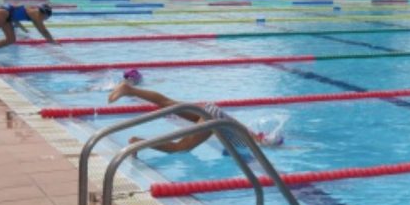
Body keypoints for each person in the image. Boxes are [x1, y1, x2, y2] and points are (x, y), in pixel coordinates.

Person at [107, 81, 284, 153]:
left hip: (212, 110)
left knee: (167, 102)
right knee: (180, 148)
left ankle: (129, 89)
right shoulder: (251, 144)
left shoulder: (250, 136)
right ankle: (138, 143)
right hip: (213, 118)